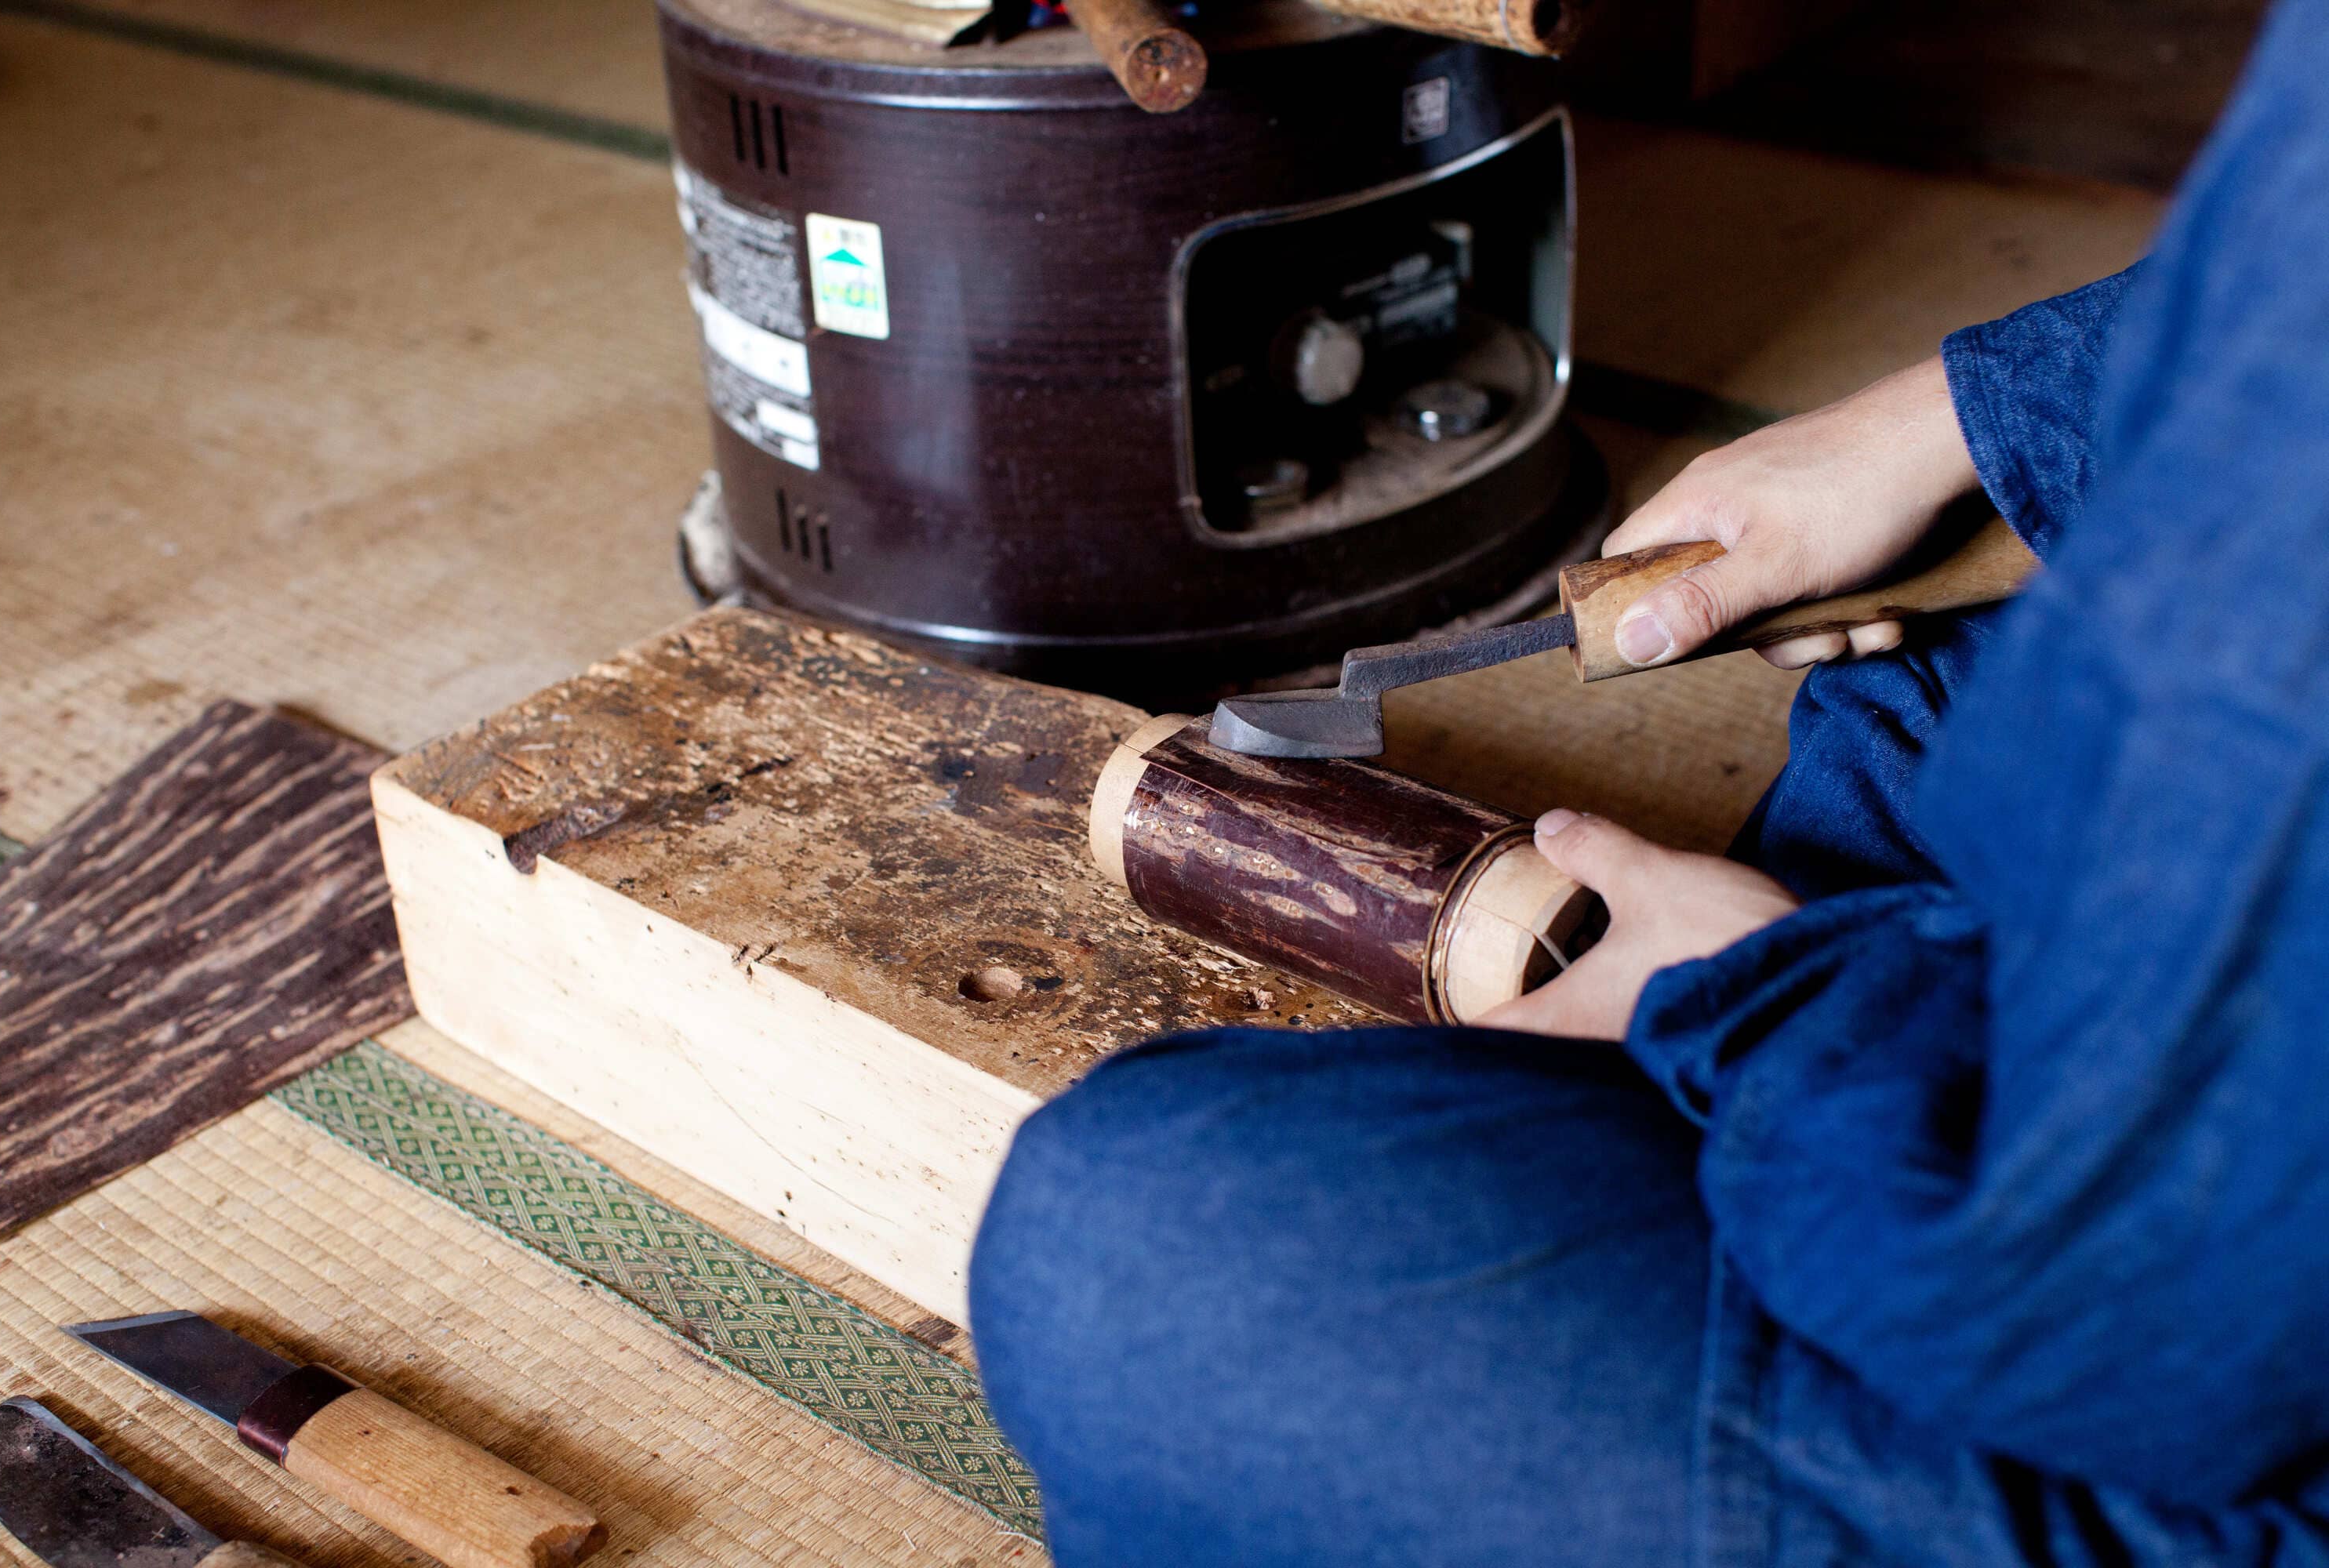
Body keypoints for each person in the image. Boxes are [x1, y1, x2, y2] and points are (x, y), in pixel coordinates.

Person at [967, 0, 2329, 1559]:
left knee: (1141, 1256)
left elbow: (2114, 1330)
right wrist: (1962, 417)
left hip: (2164, 1381)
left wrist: (1756, 997)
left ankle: (1788, 1127)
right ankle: (1797, 1129)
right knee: (1931, 676)